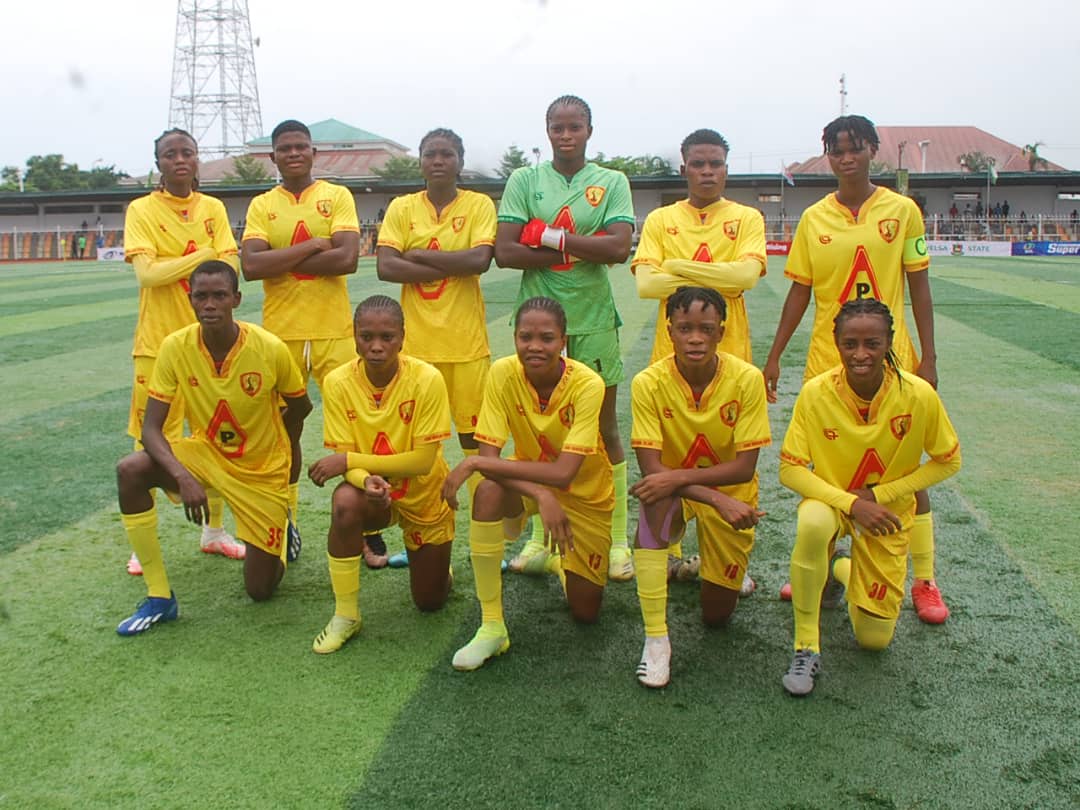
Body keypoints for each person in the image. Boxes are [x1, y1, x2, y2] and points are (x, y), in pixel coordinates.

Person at [762, 114, 950, 625]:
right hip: (827, 362)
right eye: (836, 150)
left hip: (892, 361)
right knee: (822, 471)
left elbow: (920, 286)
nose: (846, 159)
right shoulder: (814, 218)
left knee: (908, 472)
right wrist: (776, 354)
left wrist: (927, 358)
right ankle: (819, 568)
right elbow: (799, 290)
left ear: (872, 150)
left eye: (855, 148)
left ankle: (924, 580)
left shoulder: (902, 211)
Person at [114, 261, 312, 635]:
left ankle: (280, 529)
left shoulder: (269, 348)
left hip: (260, 470)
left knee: (260, 591)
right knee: (130, 469)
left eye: (219, 295)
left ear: (236, 299)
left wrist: (275, 450)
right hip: (206, 456)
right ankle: (160, 597)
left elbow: (300, 407)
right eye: (201, 296)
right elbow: (151, 428)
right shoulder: (175, 347)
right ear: (190, 300)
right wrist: (182, 476)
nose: (210, 304)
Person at [778, 299, 961, 695]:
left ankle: (839, 569)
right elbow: (790, 469)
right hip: (833, 503)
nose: (861, 354)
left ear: (889, 343)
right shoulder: (815, 393)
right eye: (850, 343)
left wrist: (879, 495)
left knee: (873, 640)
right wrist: (853, 504)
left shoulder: (918, 395)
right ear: (837, 343)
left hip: (886, 515)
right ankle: (806, 646)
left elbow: (948, 461)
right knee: (811, 523)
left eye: (872, 343)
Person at [494, 94, 635, 583]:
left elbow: (617, 248)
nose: (566, 134)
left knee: (605, 429)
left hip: (594, 319)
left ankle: (616, 541)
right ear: (547, 131)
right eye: (557, 127)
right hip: (538, 322)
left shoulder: (612, 182)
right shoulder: (525, 180)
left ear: (590, 130)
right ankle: (538, 537)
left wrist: (547, 237)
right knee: (535, 430)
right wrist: (579, 248)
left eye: (575, 126)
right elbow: (506, 252)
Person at [443, 297, 613, 671]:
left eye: (547, 338)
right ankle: (491, 626)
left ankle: (559, 563)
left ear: (564, 341)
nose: (535, 346)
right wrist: (539, 494)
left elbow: (566, 472)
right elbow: (488, 459)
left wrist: (473, 461)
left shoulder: (588, 384)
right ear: (515, 337)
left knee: (586, 612)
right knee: (488, 491)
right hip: (528, 483)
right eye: (525, 337)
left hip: (586, 494)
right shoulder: (503, 373)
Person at [631, 128, 767, 594]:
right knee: (666, 456)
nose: (708, 172)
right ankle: (667, 554)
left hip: (732, 357)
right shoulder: (662, 219)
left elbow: (747, 275)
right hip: (668, 361)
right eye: (698, 164)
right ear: (684, 167)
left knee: (730, 457)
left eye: (716, 164)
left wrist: (678, 270)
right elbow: (647, 286)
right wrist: (717, 280)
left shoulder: (747, 217)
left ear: (726, 168)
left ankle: (724, 555)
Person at [629, 287, 770, 687]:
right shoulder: (648, 383)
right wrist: (710, 497)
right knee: (654, 501)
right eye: (685, 328)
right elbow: (652, 470)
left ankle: (709, 566)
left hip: (729, 492)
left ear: (721, 333)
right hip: (687, 495)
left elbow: (745, 467)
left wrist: (678, 479)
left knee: (716, 618)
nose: (695, 338)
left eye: (705, 329)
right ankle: (656, 641)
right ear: (669, 330)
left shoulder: (746, 379)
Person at [123, 128, 243, 577]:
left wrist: (205, 258)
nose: (179, 160)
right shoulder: (141, 210)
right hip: (156, 344)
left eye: (187, 153)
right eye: (170, 154)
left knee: (216, 435)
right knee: (148, 443)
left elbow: (230, 269)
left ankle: (214, 531)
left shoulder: (212, 208)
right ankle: (143, 545)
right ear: (158, 162)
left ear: (197, 160)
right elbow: (148, 276)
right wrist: (204, 256)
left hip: (208, 343)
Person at [241, 119, 361, 563]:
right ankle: (283, 519)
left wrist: (281, 259)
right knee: (281, 430)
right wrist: (312, 244)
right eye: (285, 148)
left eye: (301, 147)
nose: (294, 153)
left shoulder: (337, 196)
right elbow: (251, 268)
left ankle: (366, 524)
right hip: (280, 334)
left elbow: (347, 259)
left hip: (334, 331)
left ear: (314, 153)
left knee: (354, 425)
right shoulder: (261, 205)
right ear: (272, 157)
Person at [307, 296, 455, 653]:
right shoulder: (338, 381)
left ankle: (436, 566)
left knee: (430, 602)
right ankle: (346, 615)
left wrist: (347, 462)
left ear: (402, 337)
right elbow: (352, 467)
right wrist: (362, 480)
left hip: (425, 493)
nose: (376, 346)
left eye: (387, 337)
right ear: (354, 336)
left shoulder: (427, 379)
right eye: (366, 336)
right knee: (344, 501)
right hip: (375, 495)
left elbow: (423, 461)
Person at [376, 128, 496, 567]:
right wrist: (449, 257)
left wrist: (419, 256)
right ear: (421, 162)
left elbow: (479, 261)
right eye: (430, 154)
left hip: (466, 347)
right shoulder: (404, 208)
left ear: (460, 161)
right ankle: (421, 534)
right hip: (416, 352)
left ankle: (485, 542)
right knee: (417, 447)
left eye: (447, 154)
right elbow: (386, 266)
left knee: (475, 445)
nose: (438, 161)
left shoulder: (479, 204)